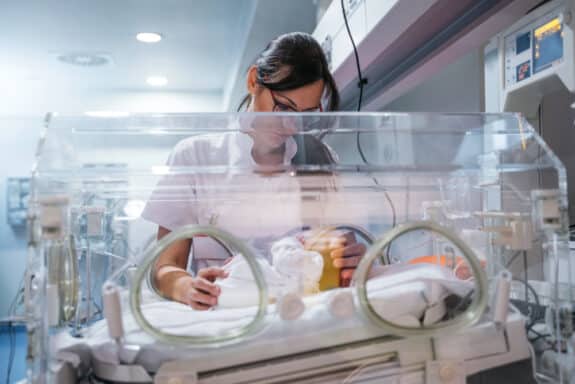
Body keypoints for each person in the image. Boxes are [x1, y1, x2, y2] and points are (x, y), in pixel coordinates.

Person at [142, 32, 366, 310]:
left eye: (304, 115)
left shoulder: (320, 160)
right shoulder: (195, 156)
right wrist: (187, 287)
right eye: (283, 106)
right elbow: (164, 267)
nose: (290, 126)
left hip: (300, 314)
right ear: (253, 81)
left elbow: (336, 250)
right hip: (226, 314)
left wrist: (350, 257)